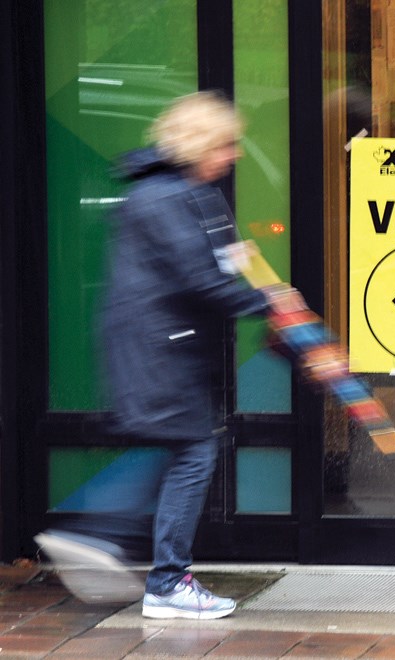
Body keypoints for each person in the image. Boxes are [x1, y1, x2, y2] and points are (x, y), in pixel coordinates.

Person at [35, 91, 277, 620]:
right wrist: (269, 302)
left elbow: (219, 262)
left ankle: (99, 535)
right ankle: (161, 578)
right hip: (159, 351)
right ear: (201, 145)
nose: (235, 154)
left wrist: (252, 278)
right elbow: (201, 281)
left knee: (173, 446)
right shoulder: (163, 198)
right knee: (192, 451)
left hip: (171, 348)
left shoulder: (189, 192)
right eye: (227, 144)